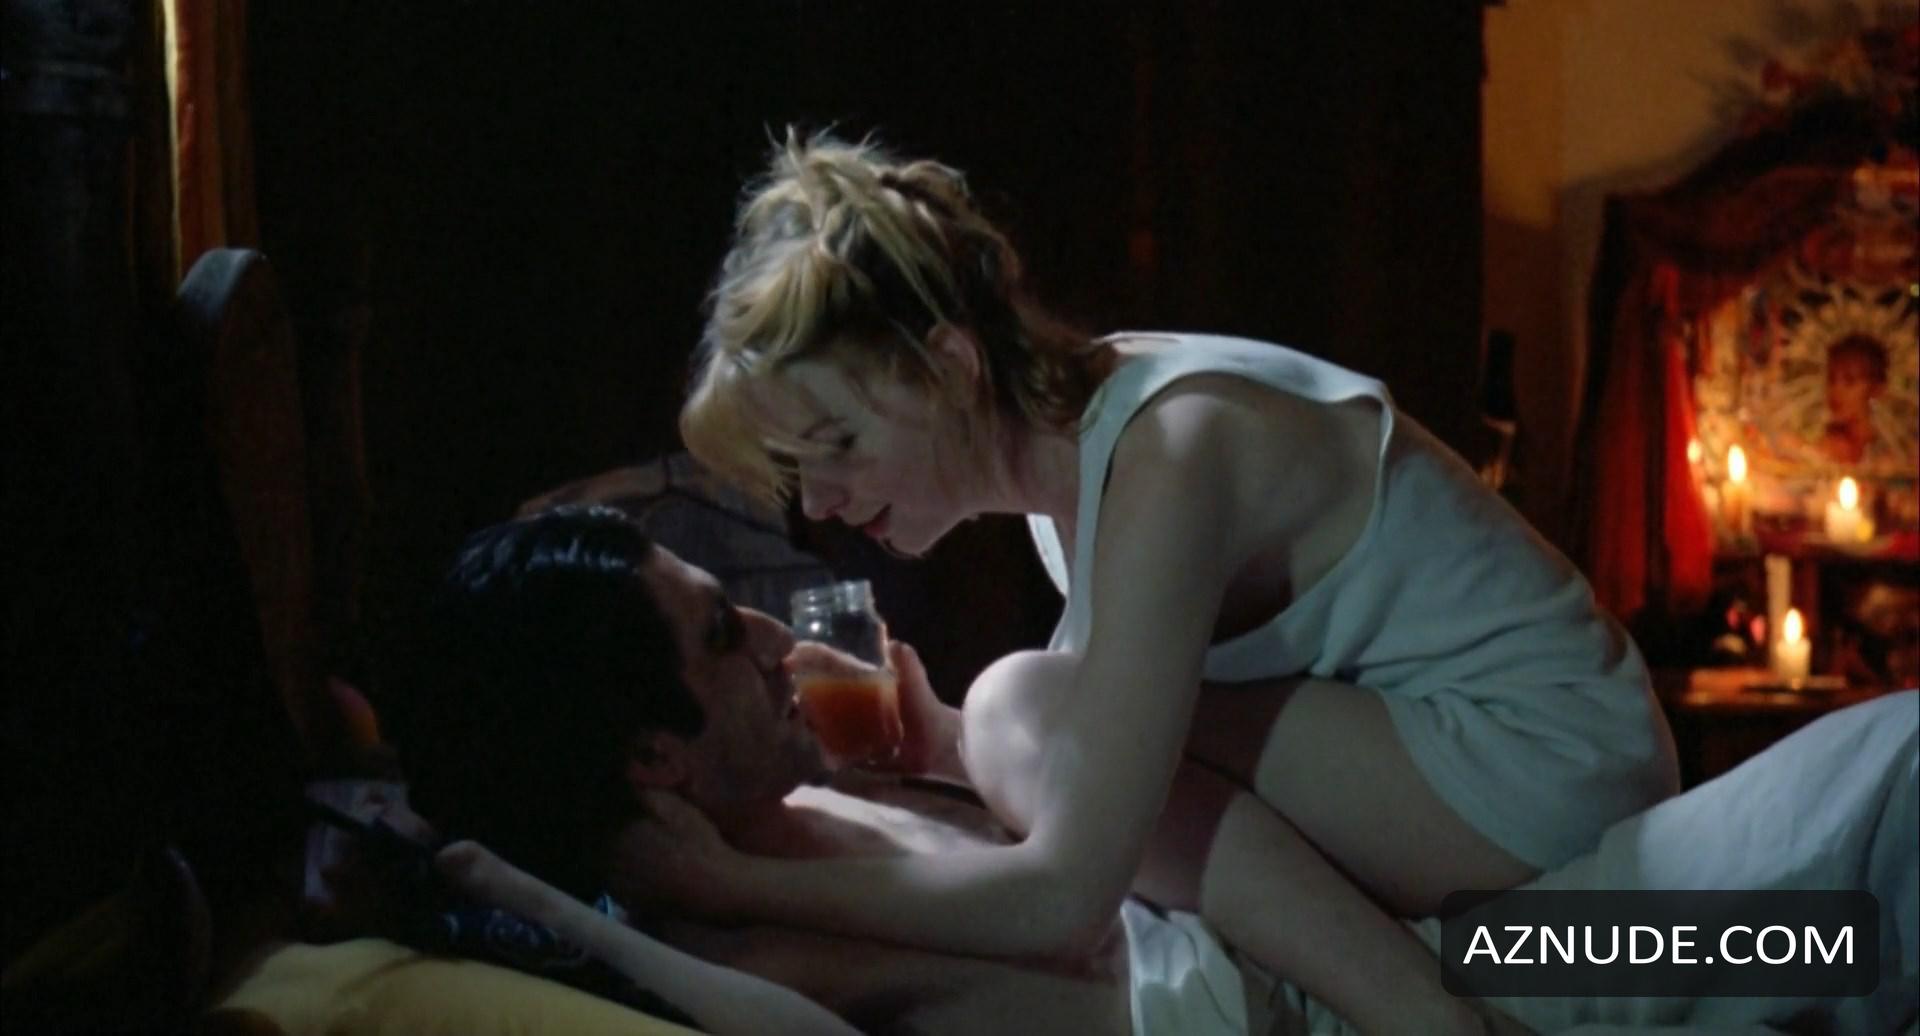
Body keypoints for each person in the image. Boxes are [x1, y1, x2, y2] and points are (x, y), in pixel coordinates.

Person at [664, 129, 1680, 1032]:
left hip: (1547, 761)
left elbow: (1063, 899)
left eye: (837, 444)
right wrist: (940, 744)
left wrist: (731, 883)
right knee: (1018, 717)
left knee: (1024, 705)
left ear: (951, 365)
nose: (822, 500)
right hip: (1458, 753)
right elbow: (1119, 782)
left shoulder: (1171, 452)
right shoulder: (1078, 462)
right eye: (800, 472)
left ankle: (1422, 1016)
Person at [393, 507, 1917, 1035]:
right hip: (1373, 1004)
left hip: (1428, 950)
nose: (774, 640)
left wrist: (947, 753)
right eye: (722, 638)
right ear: (650, 753)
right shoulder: (728, 938)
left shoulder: (833, 804)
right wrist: (605, 902)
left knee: (1854, 871)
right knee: (1873, 827)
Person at [1821, 333, 1890, 467]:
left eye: (1850, 381)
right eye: (1831, 380)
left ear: (1876, 388)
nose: (1836, 390)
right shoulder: (1819, 452)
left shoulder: (1890, 459)